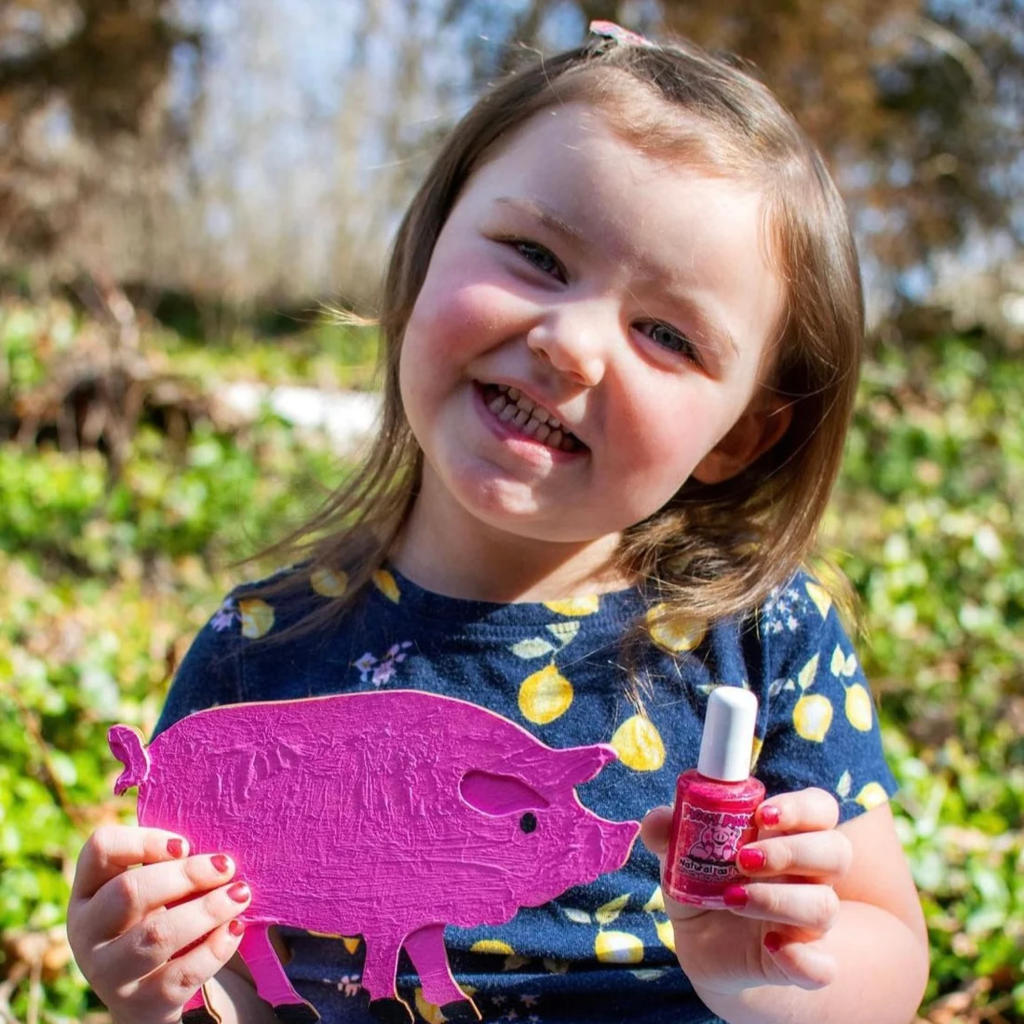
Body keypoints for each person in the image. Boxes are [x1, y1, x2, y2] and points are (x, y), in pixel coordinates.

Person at [67, 22, 929, 1024]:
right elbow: (246, 980)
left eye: (664, 333)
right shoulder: (259, 649)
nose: (570, 344)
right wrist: (163, 978)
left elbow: (888, 945)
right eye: (534, 255)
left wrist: (777, 968)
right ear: (428, 248)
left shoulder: (761, 633)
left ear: (739, 435)